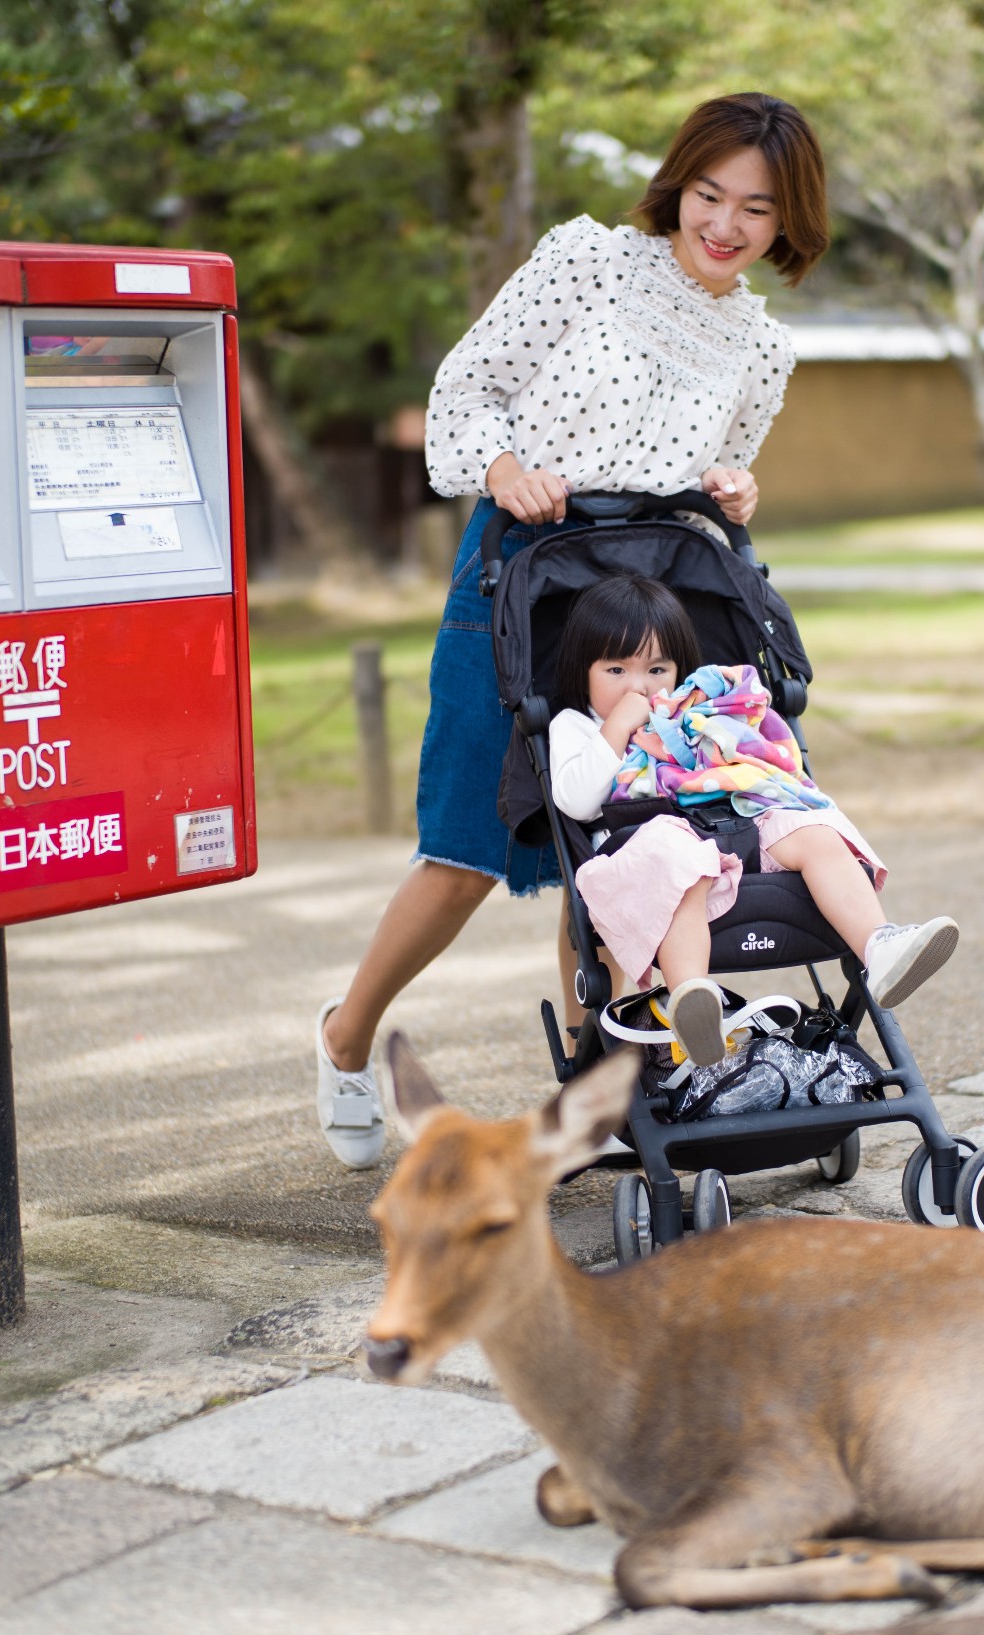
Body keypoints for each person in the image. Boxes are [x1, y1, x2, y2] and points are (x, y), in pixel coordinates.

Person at [315, 91, 832, 1167]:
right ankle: (346, 1032)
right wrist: (505, 467)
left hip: (649, 603)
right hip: (519, 567)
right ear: (677, 183)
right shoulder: (586, 261)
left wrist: (735, 491)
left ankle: (597, 1096)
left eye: (755, 208)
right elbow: (471, 387)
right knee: (465, 848)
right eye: (708, 194)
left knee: (617, 840)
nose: (725, 224)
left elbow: (718, 471)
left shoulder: (760, 345)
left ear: (788, 223)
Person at [548, 574, 958, 1067]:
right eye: (616, 669)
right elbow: (575, 800)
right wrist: (617, 728)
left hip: (735, 830)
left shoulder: (693, 711)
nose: (639, 686)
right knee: (678, 861)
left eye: (657, 668)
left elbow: (752, 762)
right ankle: (692, 1001)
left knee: (812, 830)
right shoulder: (575, 726)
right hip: (650, 848)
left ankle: (881, 947)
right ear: (582, 671)